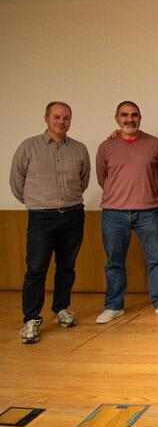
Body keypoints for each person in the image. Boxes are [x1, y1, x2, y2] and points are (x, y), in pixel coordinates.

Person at [10, 102, 90, 344]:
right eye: (56, 117)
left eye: (66, 117)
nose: (61, 121)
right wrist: (38, 201)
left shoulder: (79, 149)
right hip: (41, 217)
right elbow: (17, 182)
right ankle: (31, 319)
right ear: (46, 118)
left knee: (67, 266)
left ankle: (61, 308)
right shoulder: (29, 147)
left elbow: (83, 181)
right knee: (36, 268)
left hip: (73, 215)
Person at [95, 101, 158, 323]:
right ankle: (113, 306)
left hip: (148, 211)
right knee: (114, 262)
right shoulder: (106, 147)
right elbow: (103, 178)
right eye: (124, 115)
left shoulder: (155, 144)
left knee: (155, 260)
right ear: (116, 118)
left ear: (140, 117)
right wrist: (120, 195)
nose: (130, 119)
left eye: (134, 114)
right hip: (113, 213)